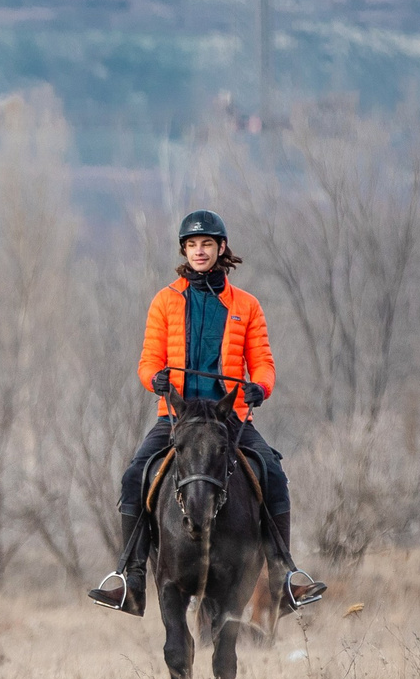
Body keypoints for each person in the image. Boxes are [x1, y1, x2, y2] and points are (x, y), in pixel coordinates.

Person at [86, 209, 325, 617]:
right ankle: (131, 578)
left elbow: (264, 363)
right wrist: (155, 380)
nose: (199, 251)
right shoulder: (165, 300)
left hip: (229, 419)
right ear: (185, 250)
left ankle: (284, 576)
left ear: (221, 248)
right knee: (133, 476)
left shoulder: (246, 306)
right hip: (176, 417)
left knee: (272, 473)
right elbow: (147, 362)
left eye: (207, 244)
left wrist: (259, 387)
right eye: (192, 245)